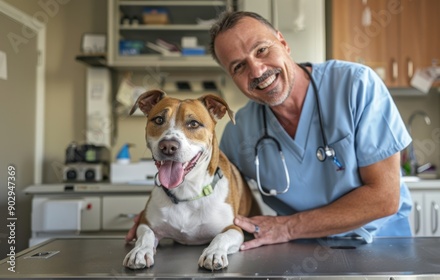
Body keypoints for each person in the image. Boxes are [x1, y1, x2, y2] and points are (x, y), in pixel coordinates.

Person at [127, 11, 413, 250]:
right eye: (239, 66)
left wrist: (288, 227)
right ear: (232, 77)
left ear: (283, 42)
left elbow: (385, 198)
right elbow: (209, 184)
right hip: (299, 251)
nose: (257, 70)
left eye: (262, 50)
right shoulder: (240, 132)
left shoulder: (356, 86)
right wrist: (160, 215)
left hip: (380, 246)